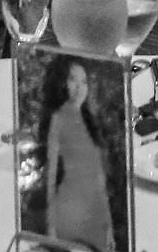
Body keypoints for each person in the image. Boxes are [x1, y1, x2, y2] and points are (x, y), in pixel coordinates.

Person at [43, 60, 115, 252]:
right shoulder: (59, 118)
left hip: (96, 216)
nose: (78, 87)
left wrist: (108, 227)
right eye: (72, 80)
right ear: (62, 84)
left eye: (83, 81)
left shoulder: (89, 121)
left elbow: (99, 179)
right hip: (70, 215)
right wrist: (50, 228)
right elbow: (49, 175)